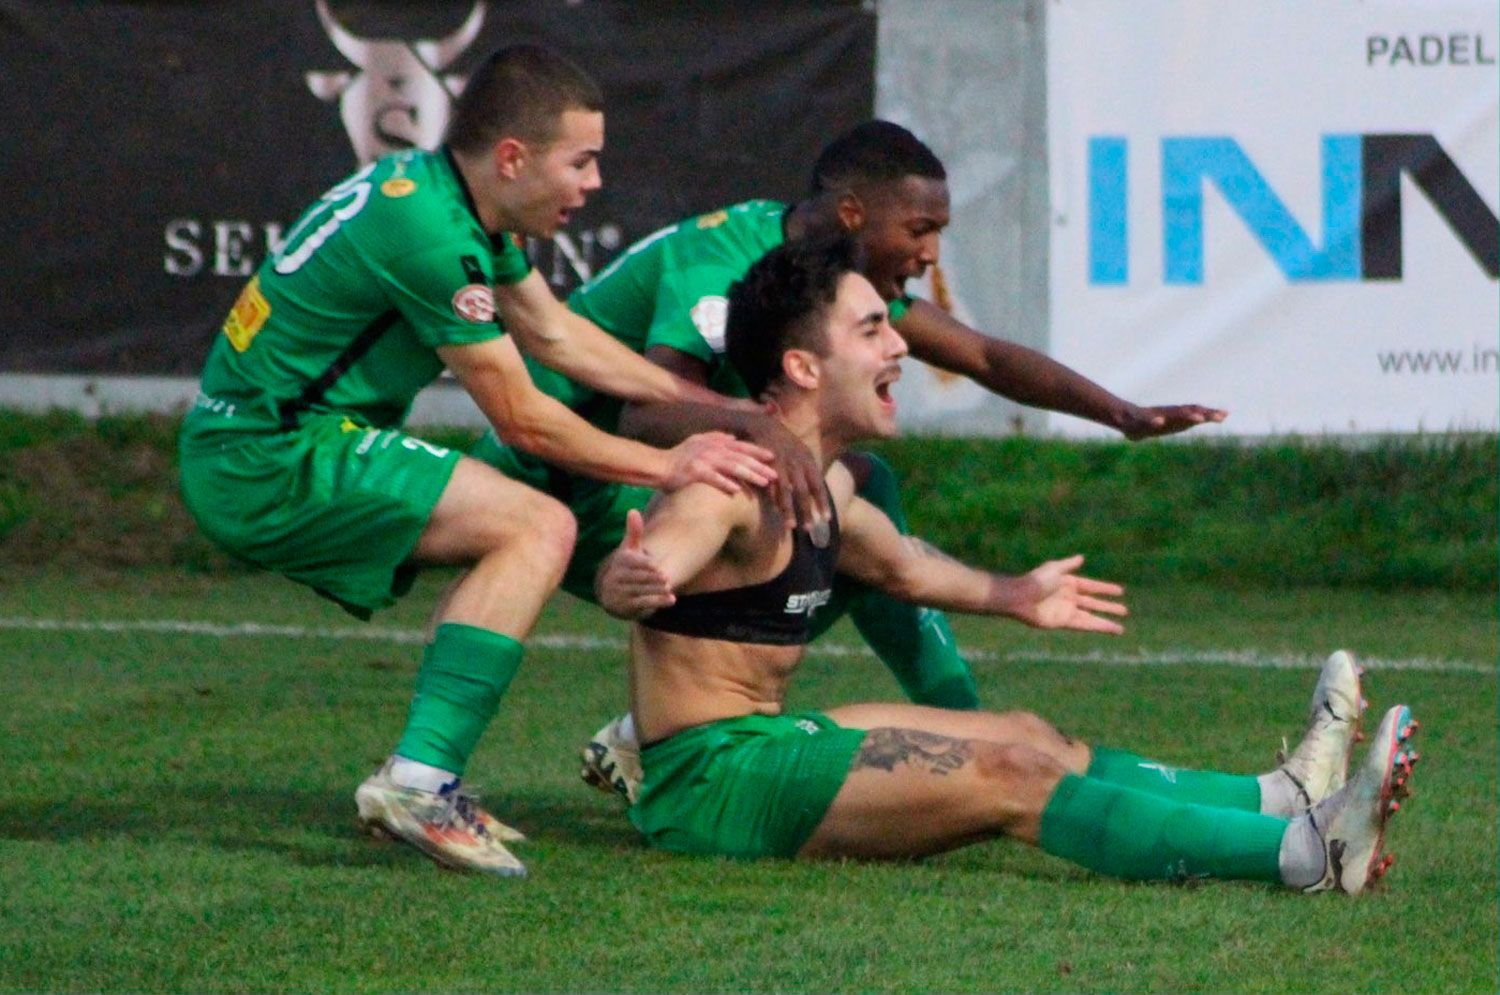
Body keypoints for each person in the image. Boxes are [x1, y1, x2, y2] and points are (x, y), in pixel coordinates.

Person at [592, 236, 1419, 894]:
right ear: (803, 367)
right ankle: (1304, 852)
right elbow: (648, 561)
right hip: (711, 783)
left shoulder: (831, 485)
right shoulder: (730, 481)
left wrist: (1020, 593)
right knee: (1013, 775)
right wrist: (629, 578)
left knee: (1029, 735)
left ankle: (1283, 795)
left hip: (760, 743)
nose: (900, 350)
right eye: (872, 330)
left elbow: (907, 567)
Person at [467, 121, 1229, 797]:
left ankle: (957, 729)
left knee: (856, 499)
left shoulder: (834, 278)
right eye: (921, 228)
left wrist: (1119, 413)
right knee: (818, 507)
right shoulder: (723, 260)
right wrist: (766, 432)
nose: (931, 254)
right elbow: (651, 408)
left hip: (638, 478)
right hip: (557, 476)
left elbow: (984, 354)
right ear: (854, 212)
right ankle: (473, 768)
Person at [177, 45, 781, 878]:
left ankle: (447, 771)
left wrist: (730, 414)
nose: (595, 182)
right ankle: (421, 780)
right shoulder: (427, 227)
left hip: (282, 437)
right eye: (582, 161)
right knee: (537, 523)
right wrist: (671, 464)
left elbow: (558, 336)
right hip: (269, 450)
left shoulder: (449, 200)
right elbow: (527, 419)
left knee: (550, 531)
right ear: (511, 158)